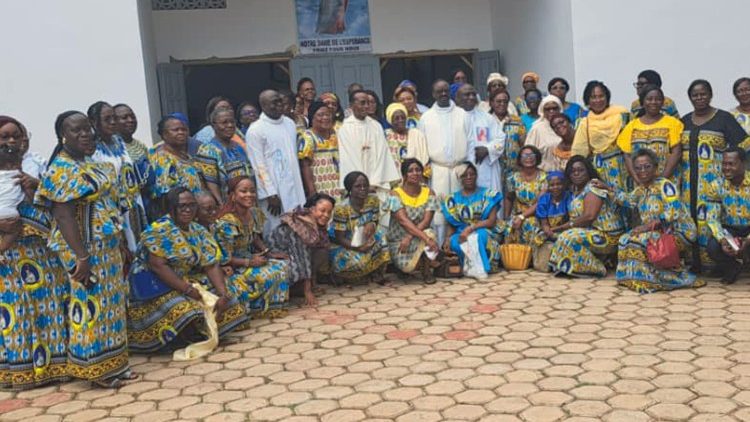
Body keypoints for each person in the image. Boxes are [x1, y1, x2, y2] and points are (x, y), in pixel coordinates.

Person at [35, 111, 135, 388]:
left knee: (112, 304)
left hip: (106, 243)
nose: (85, 134)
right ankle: (95, 369)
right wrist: (82, 256)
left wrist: (121, 242)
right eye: (76, 130)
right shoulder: (61, 169)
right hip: (82, 247)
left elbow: (109, 205)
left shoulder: (91, 162)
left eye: (87, 129)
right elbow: (63, 216)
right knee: (89, 304)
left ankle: (116, 363)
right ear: (62, 136)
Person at [127, 187, 249, 353]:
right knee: (185, 309)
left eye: (192, 205)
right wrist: (188, 289)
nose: (188, 210)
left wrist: (222, 293)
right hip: (154, 285)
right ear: (171, 208)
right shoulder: (158, 230)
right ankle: (176, 339)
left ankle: (202, 334)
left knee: (230, 298)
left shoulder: (197, 230)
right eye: (182, 206)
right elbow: (158, 266)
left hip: (183, 279)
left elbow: (210, 264)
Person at [0, 116, 69, 390]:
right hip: (9, 257)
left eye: (15, 136)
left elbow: (59, 204)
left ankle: (56, 367)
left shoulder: (36, 165)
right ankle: (21, 372)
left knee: (48, 307)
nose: (11, 142)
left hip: (42, 251)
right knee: (18, 311)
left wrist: (36, 189)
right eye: (4, 137)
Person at [604, 149, 703, 293]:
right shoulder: (640, 189)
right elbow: (627, 200)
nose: (642, 171)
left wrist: (646, 227)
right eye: (638, 168)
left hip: (678, 232)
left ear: (656, 167)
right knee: (625, 239)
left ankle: (656, 280)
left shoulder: (665, 185)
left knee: (639, 240)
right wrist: (607, 188)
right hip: (654, 231)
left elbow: (673, 212)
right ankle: (632, 278)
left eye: (647, 166)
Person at [680, 79, 750, 272]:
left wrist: (734, 169)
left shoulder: (724, 118)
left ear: (710, 95)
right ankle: (694, 263)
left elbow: (743, 145)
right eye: (695, 95)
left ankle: (716, 264)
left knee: (708, 222)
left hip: (713, 183)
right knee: (690, 220)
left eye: (703, 94)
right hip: (687, 183)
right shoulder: (684, 120)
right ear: (690, 98)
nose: (699, 98)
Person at [214, 176, 291, 318]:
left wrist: (268, 253)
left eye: (252, 191)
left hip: (248, 258)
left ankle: (272, 308)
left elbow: (254, 237)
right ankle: (257, 308)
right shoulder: (227, 223)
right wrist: (249, 262)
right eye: (243, 191)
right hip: (232, 266)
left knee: (282, 265)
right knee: (270, 273)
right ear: (232, 195)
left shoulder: (254, 213)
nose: (249, 195)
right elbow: (225, 258)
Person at [548, 157, 625, 277]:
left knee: (567, 237)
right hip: (590, 231)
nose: (576, 174)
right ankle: (575, 266)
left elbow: (589, 216)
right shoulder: (574, 189)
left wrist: (563, 227)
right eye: (573, 171)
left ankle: (597, 268)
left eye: (581, 170)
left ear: (588, 171)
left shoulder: (594, 187)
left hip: (607, 236)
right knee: (553, 236)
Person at [88, 101, 147, 250]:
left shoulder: (118, 141)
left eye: (114, 117)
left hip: (133, 204)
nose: (113, 122)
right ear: (94, 122)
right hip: (112, 209)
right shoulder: (92, 149)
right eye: (107, 119)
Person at [246, 90, 307, 234]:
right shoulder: (255, 130)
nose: (279, 104)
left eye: (280, 100)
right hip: (274, 193)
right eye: (274, 102)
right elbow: (258, 165)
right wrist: (271, 194)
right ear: (263, 105)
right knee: (277, 230)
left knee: (299, 228)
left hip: (294, 187)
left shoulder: (289, 123)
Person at [418, 80, 470, 244]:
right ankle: (439, 247)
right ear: (433, 94)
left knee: (460, 208)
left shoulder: (462, 114)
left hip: (459, 169)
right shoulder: (426, 118)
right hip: (438, 170)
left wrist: (468, 166)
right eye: (439, 91)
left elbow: (471, 141)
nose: (443, 94)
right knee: (439, 211)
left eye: (446, 90)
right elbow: (422, 145)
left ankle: (460, 247)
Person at [269, 193, 335, 307]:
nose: (326, 215)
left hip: (293, 254)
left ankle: (304, 285)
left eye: (329, 212)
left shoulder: (315, 224)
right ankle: (295, 290)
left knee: (322, 251)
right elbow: (301, 256)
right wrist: (307, 292)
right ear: (312, 209)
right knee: (297, 265)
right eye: (322, 211)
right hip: (278, 257)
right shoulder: (300, 225)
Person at [441, 162, 504, 275]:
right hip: (462, 234)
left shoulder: (488, 194)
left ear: (476, 175)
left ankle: (482, 269)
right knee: (454, 243)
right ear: (460, 178)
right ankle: (471, 266)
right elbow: (451, 222)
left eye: (472, 174)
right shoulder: (452, 199)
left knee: (476, 237)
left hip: (485, 230)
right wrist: (447, 239)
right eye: (465, 175)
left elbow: (491, 221)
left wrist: (470, 229)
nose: (469, 177)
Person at [384, 159, 440, 282]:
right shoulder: (395, 194)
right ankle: (403, 267)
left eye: (418, 170)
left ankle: (426, 272)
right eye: (410, 171)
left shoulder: (429, 192)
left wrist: (410, 237)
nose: (415, 173)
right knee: (408, 268)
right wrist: (420, 238)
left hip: (416, 237)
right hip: (399, 241)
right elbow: (403, 221)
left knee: (429, 233)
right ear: (404, 175)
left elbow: (426, 221)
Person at [329, 172, 390, 283]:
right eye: (358, 186)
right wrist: (358, 248)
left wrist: (371, 224)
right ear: (349, 189)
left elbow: (375, 220)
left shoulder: (373, 200)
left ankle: (377, 273)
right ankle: (344, 276)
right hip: (346, 245)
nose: (363, 189)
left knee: (381, 235)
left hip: (364, 239)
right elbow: (340, 238)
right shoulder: (341, 208)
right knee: (360, 262)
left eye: (365, 185)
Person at [571, 81, 630, 191]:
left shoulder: (622, 114)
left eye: (601, 96)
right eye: (593, 97)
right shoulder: (585, 122)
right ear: (587, 100)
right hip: (600, 169)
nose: (598, 100)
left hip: (624, 165)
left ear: (607, 97)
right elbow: (579, 151)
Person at [338, 90, 400, 192]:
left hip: (378, 183)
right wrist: (362, 183)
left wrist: (375, 182)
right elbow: (349, 158)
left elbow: (382, 155)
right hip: (357, 185)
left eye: (368, 103)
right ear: (352, 105)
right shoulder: (345, 128)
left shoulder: (376, 126)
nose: (367, 106)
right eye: (362, 103)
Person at [617, 85, 683, 181]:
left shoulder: (672, 123)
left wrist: (662, 179)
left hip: (667, 181)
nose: (653, 102)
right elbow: (627, 155)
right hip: (640, 182)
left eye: (658, 99)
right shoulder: (631, 126)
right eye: (649, 99)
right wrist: (637, 179)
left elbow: (676, 152)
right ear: (642, 102)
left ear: (663, 102)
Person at [706, 147, 750, 284]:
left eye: (731, 164)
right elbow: (712, 218)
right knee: (713, 246)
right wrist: (723, 240)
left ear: (743, 164)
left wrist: (748, 240)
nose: (726, 168)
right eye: (724, 164)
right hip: (731, 229)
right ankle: (732, 267)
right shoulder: (716, 185)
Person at [147, 115, 205, 220]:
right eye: (175, 130)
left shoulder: (187, 156)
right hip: (176, 218)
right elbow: (165, 196)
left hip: (191, 215)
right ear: (164, 134)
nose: (181, 132)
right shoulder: (162, 159)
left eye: (184, 129)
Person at [195, 108, 252, 202]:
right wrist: (221, 205)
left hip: (245, 201)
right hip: (227, 204)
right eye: (224, 122)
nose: (229, 125)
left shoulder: (238, 147)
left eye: (232, 122)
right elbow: (211, 183)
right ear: (214, 125)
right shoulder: (208, 150)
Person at [457, 84, 505, 193]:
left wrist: (488, 149)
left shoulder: (487, 118)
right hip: (462, 170)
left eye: (473, 94)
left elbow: (500, 140)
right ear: (458, 98)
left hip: (486, 168)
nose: (471, 97)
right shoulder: (454, 119)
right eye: (467, 94)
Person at [503, 145, 547, 245]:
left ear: (537, 158)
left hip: (537, 215)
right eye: (525, 155)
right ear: (519, 159)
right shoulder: (513, 178)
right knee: (507, 228)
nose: (528, 158)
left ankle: (531, 259)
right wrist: (507, 218)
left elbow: (540, 203)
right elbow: (509, 198)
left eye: (532, 155)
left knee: (529, 224)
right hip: (517, 214)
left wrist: (522, 217)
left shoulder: (544, 177)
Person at [298, 101, 340, 198]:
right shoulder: (307, 137)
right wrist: (312, 191)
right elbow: (305, 166)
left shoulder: (337, 133)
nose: (325, 118)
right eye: (320, 115)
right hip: (320, 186)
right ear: (312, 118)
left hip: (339, 185)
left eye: (327, 114)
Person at [533, 170, 572, 271]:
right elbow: (544, 223)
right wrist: (548, 230)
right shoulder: (544, 199)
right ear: (548, 186)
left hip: (566, 231)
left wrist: (556, 230)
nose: (555, 187)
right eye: (552, 185)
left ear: (564, 184)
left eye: (559, 184)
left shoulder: (569, 197)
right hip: (550, 232)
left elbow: (572, 220)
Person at [490, 90, 526, 185]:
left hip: (513, 171)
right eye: (498, 101)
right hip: (492, 171)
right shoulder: (486, 121)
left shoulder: (517, 121)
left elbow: (523, 145)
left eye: (505, 101)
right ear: (492, 102)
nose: (502, 104)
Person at [384, 102, 429, 177]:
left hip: (415, 178)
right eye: (396, 118)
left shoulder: (417, 134)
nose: (400, 120)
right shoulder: (386, 136)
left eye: (403, 117)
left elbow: (424, 157)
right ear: (390, 121)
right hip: (393, 179)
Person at [113, 103, 150, 186]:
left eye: (133, 117)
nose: (130, 120)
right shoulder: (110, 149)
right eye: (124, 118)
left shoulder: (140, 145)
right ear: (113, 121)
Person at [525, 95, 564, 171]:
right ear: (542, 111)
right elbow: (528, 153)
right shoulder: (536, 129)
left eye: (554, 108)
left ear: (560, 109)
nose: (551, 111)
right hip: (543, 173)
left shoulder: (565, 126)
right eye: (547, 109)